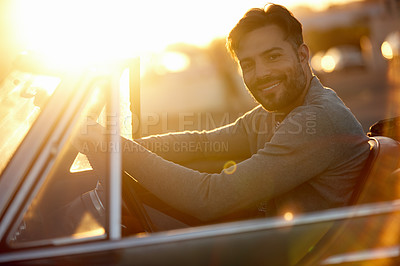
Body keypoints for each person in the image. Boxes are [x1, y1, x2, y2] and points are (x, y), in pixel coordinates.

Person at [76, 4, 370, 222]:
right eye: (249, 64)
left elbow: (210, 198)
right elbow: (202, 142)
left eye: (272, 56)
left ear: (302, 55)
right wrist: (111, 142)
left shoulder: (317, 119)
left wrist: (116, 146)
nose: (261, 73)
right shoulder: (277, 111)